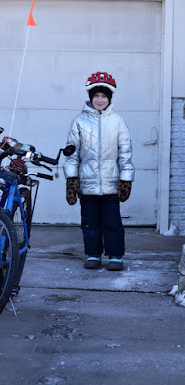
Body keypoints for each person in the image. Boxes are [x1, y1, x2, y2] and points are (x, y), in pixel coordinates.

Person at [63, 71, 135, 271]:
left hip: (112, 183)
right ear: (91, 97)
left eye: (104, 96)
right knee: (90, 223)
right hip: (87, 183)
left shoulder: (118, 121)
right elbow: (72, 153)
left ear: (109, 98)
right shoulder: (79, 121)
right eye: (96, 96)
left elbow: (125, 152)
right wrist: (71, 179)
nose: (100, 100)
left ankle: (115, 255)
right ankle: (93, 255)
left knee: (112, 222)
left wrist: (126, 179)